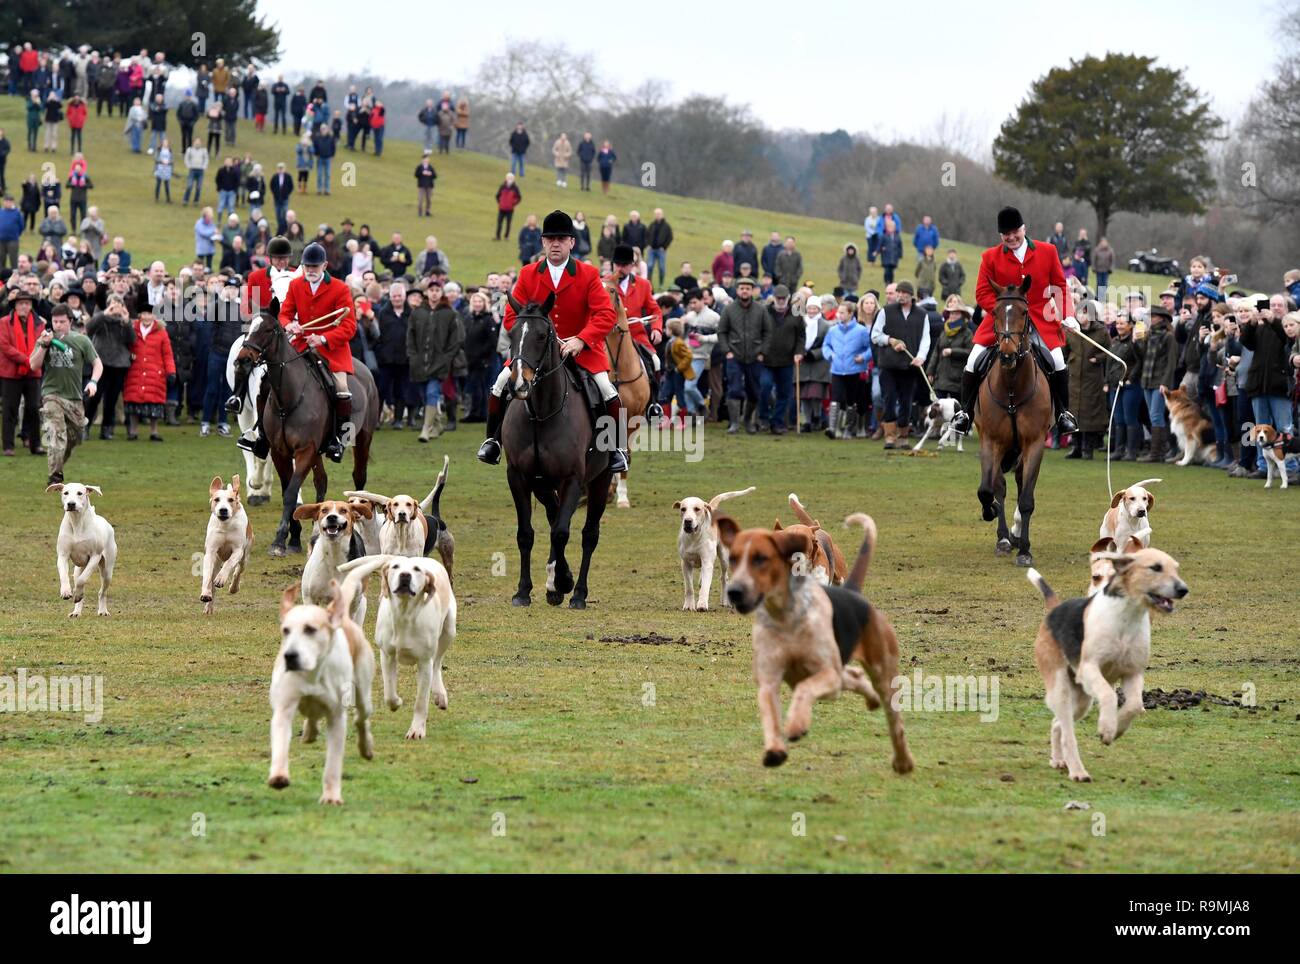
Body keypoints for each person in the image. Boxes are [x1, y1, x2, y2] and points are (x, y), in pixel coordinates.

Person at [477, 210, 626, 472]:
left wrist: (581, 339)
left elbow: (605, 314)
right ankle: (493, 441)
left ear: (571, 242)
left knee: (607, 390)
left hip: (582, 351)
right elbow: (512, 316)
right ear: (543, 242)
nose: (555, 243)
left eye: (561, 238)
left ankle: (615, 449)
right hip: (535, 351)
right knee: (500, 384)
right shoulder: (527, 273)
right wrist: (542, 339)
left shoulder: (588, 274)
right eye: (550, 239)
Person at [952, 206, 1078, 436]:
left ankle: (1063, 414)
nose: (1010, 237)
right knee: (972, 361)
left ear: (1023, 229)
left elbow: (1060, 286)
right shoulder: (990, 257)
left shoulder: (1047, 251)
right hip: (1002, 322)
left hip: (1040, 319)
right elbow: (981, 293)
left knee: (1058, 361)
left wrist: (1068, 314)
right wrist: (1004, 312)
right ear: (1000, 235)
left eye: (1014, 232)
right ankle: (965, 414)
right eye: (1005, 234)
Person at [30, 303, 102, 484]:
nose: (58, 325)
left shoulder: (81, 340)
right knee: (56, 433)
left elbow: (97, 364)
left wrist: (93, 382)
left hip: (75, 397)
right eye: (55, 321)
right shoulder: (45, 340)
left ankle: (58, 466)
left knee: (75, 437)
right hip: (51, 395)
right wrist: (44, 346)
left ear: (70, 321)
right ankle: (54, 477)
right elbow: (34, 365)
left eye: (62, 321)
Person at [871, 280, 930, 448]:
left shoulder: (922, 314)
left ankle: (903, 435)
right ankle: (889, 435)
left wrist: (921, 357)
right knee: (888, 398)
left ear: (912, 296)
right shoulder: (886, 311)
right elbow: (875, 335)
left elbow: (926, 339)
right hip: (888, 364)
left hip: (910, 366)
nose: (901, 295)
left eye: (905, 293)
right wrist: (890, 340)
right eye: (899, 292)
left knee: (907, 400)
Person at [611, 244, 664, 417]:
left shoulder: (643, 285)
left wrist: (656, 329)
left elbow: (655, 311)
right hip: (611, 338)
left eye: (624, 264)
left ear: (632, 265)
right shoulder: (604, 284)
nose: (620, 268)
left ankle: (653, 404)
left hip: (637, 336)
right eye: (617, 264)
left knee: (655, 361)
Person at [407, 281, 464, 440]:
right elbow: (410, 337)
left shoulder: (450, 314)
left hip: (439, 364)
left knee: (432, 393)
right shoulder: (417, 313)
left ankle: (426, 430)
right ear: (426, 292)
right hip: (419, 364)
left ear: (441, 292)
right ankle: (437, 424)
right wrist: (413, 356)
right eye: (431, 290)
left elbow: (456, 340)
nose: (434, 293)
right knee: (425, 396)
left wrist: (446, 359)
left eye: (437, 290)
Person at [717, 276, 772, 434]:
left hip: (755, 356)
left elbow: (768, 332)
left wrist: (763, 351)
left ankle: (747, 421)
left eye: (748, 288)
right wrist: (726, 350)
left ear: (752, 291)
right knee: (734, 389)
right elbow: (722, 332)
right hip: (734, 356)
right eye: (742, 288)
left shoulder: (761, 309)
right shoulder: (729, 309)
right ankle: (734, 423)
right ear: (737, 290)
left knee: (754, 391)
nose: (745, 291)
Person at [0, 288, 46, 456]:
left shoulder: (39, 323)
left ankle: (36, 445)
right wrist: (28, 360)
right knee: (9, 409)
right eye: (20, 303)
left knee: (34, 409)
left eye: (27, 303)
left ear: (31, 305)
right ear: (15, 305)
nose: (24, 306)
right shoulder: (4, 322)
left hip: (33, 373)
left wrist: (32, 361)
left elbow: (42, 344)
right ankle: (8, 446)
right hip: (11, 373)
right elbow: (5, 347)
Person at [1062, 300, 1111, 459]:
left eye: (1084, 312)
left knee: (1090, 413)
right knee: (1073, 412)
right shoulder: (1071, 331)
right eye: (1079, 312)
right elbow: (1065, 350)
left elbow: (1109, 352)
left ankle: (1087, 448)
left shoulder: (1101, 332)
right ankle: (1076, 447)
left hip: (1092, 379)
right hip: (1074, 378)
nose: (1080, 315)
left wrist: (1097, 359)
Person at [83, 294, 136, 439]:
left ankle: (106, 428)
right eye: (113, 303)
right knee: (94, 397)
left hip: (119, 365)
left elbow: (132, 340)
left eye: (119, 303)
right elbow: (89, 328)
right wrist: (105, 313)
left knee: (111, 399)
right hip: (101, 364)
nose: (116, 306)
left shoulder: (124, 321)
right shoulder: (101, 318)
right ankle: (85, 426)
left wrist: (126, 322)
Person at [122, 301, 174, 441]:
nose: (146, 317)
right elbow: (127, 347)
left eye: (149, 314)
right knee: (133, 402)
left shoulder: (161, 332)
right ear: (140, 315)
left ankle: (154, 431)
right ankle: (133, 431)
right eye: (144, 314)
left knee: (154, 403)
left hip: (155, 372)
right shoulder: (133, 329)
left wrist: (171, 371)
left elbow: (167, 354)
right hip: (135, 371)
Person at [822, 298, 872, 439]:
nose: (839, 315)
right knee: (835, 398)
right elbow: (826, 345)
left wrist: (863, 357)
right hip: (837, 369)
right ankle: (832, 428)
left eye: (842, 312)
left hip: (854, 370)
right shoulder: (833, 330)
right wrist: (830, 355)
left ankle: (848, 429)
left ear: (850, 314)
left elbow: (870, 348)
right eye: (838, 312)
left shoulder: (861, 331)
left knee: (851, 401)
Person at [414, 152, 437, 217]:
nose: (427, 160)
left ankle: (427, 211)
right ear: (423, 160)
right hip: (421, 186)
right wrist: (422, 173)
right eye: (426, 159)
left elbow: (435, 176)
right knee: (420, 199)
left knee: (429, 199)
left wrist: (431, 174)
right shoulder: (419, 167)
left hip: (429, 185)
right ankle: (420, 212)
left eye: (428, 159)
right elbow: (416, 175)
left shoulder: (431, 167)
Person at [153, 137, 173, 202]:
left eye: (166, 142)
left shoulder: (170, 150)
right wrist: (161, 161)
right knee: (158, 184)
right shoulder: (159, 150)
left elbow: (172, 159)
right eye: (164, 142)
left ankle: (168, 199)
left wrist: (169, 162)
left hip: (167, 169)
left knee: (167, 185)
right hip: (160, 168)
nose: (165, 144)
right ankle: (156, 198)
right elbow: (156, 158)